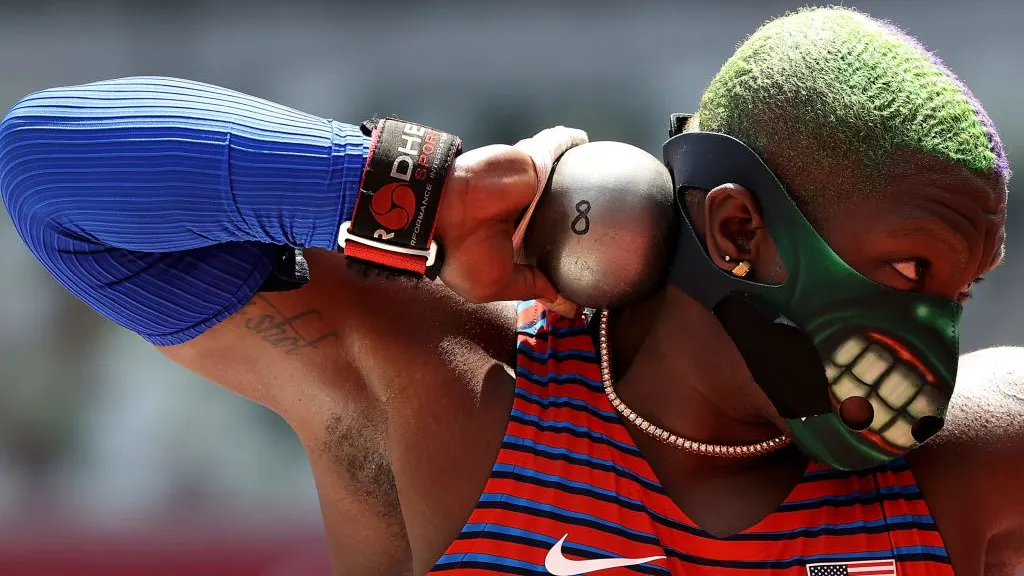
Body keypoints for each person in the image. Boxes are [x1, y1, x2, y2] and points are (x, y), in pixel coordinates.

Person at [1, 6, 1021, 576]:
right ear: (736, 229)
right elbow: (49, 168)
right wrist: (424, 199)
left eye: (961, 294)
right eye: (909, 273)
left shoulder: (975, 465)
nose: (929, 339)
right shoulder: (453, 389)